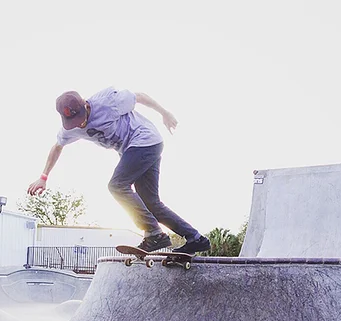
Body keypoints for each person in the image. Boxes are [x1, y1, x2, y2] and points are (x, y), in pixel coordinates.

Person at [27, 87, 211, 254]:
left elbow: (140, 96)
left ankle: (154, 234)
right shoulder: (70, 129)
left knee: (117, 186)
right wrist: (43, 177)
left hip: (144, 140)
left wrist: (164, 113)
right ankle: (195, 238)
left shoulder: (108, 102)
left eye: (81, 118)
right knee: (151, 203)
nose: (80, 124)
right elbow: (57, 147)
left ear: (85, 105)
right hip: (140, 149)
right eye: (74, 122)